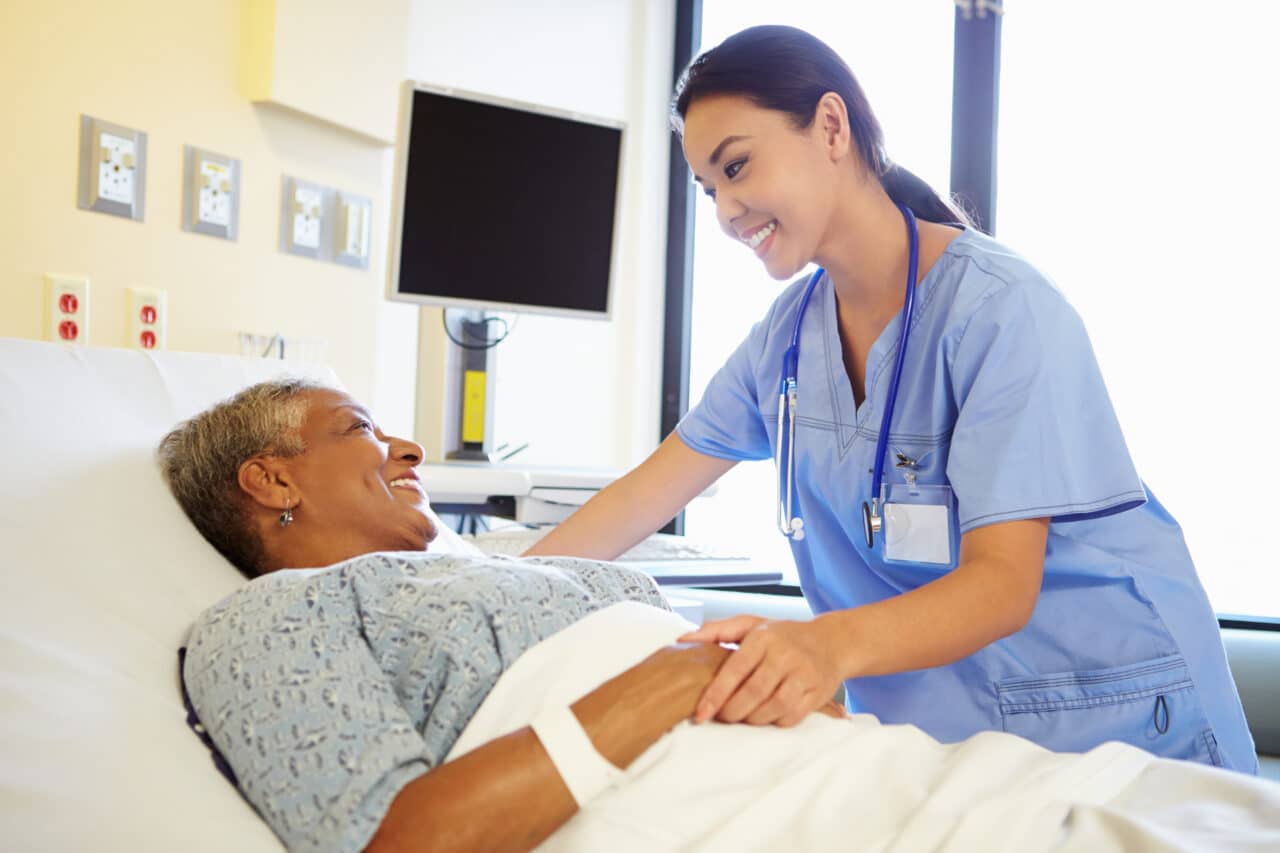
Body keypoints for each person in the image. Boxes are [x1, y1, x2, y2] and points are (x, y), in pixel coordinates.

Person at [525, 25, 1257, 773]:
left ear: (832, 127)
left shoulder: (1004, 312)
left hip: (1119, 723)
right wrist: (503, 587)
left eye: (737, 167)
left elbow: (1002, 585)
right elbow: (639, 498)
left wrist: (825, 646)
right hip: (948, 747)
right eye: (710, 189)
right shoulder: (785, 341)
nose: (724, 211)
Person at [162, 380, 1278, 853]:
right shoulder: (267, 621)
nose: (406, 447)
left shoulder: (498, 571)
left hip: (906, 783)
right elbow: (389, 840)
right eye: (360, 426)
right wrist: (675, 678)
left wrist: (797, 674)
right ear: (271, 482)